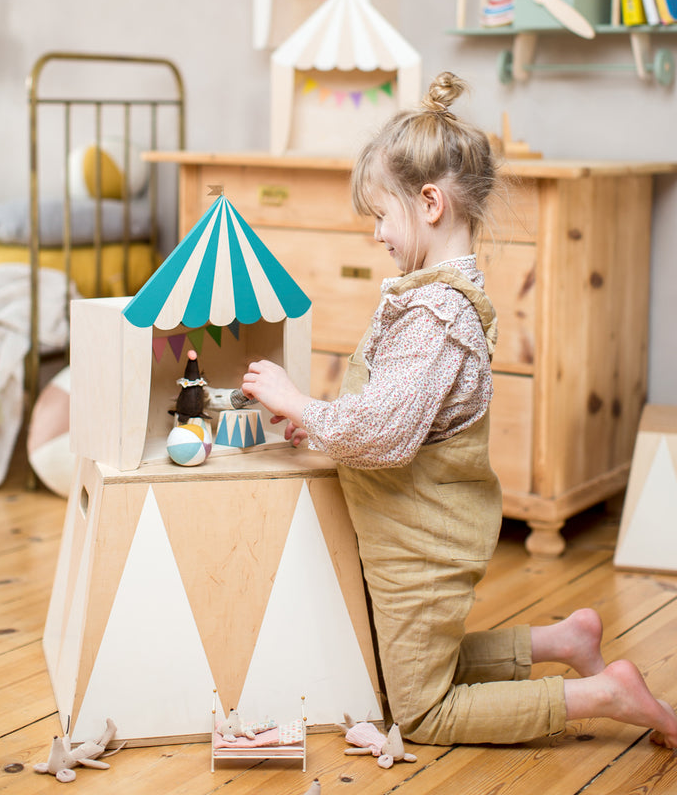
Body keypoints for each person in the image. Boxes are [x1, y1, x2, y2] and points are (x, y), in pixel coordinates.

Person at [241, 71, 677, 749]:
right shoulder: (429, 301)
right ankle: (565, 638)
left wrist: (302, 401)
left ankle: (602, 695)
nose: (378, 233)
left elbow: (385, 432)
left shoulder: (438, 317)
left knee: (420, 712)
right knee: (406, 674)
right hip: (411, 533)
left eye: (382, 216)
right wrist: (322, 424)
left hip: (424, 544)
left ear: (431, 203)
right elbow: (391, 411)